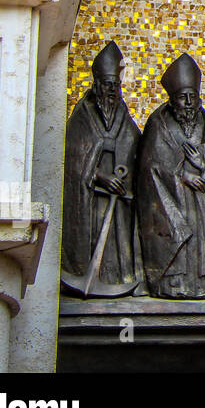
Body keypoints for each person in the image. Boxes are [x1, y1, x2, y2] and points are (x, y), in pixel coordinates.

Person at [137, 53, 205, 299]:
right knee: (180, 241)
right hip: (173, 203)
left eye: (192, 97)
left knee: (201, 241)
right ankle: (174, 284)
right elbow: (149, 167)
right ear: (172, 100)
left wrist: (204, 167)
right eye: (182, 98)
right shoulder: (158, 125)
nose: (188, 103)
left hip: (203, 205)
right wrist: (181, 176)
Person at [61, 41, 142, 296]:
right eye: (107, 85)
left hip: (119, 199)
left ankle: (116, 277)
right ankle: (82, 272)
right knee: (94, 232)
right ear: (96, 85)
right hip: (91, 199)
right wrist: (98, 176)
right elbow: (74, 163)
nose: (112, 91)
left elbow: (135, 146)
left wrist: (124, 176)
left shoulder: (123, 117)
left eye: (116, 85)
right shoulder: (82, 117)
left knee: (118, 242)